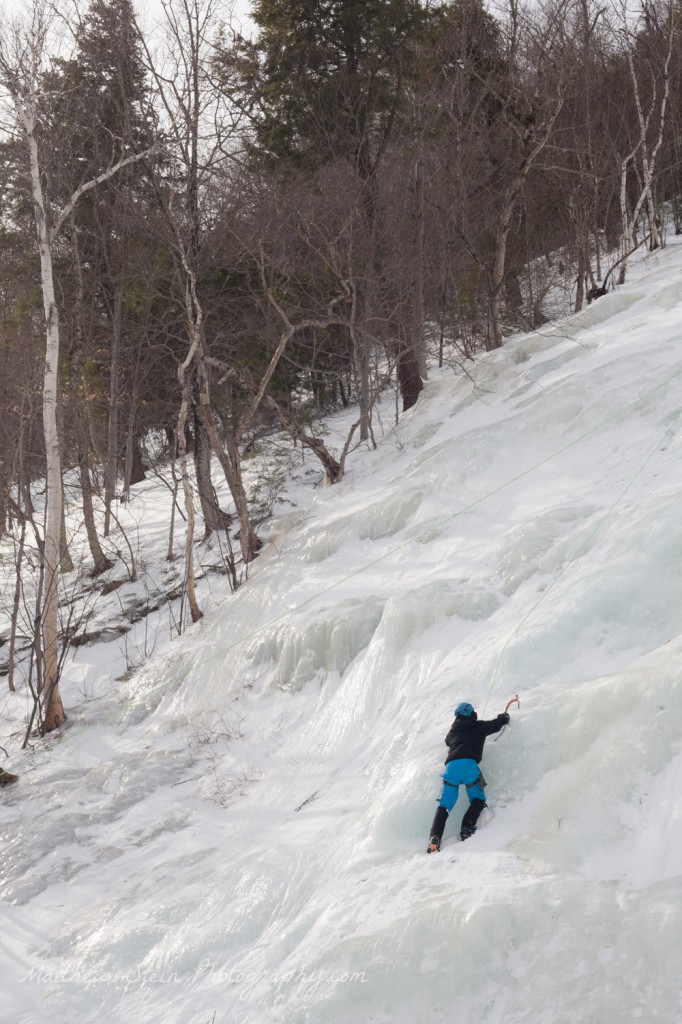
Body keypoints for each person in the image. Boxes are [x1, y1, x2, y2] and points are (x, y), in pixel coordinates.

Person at [426, 701, 510, 852]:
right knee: (478, 798)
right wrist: (503, 717)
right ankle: (467, 827)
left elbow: (447, 742)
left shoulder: (452, 732)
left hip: (450, 769)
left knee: (445, 805)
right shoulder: (478, 726)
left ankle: (434, 837)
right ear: (472, 714)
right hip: (469, 767)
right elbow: (495, 725)